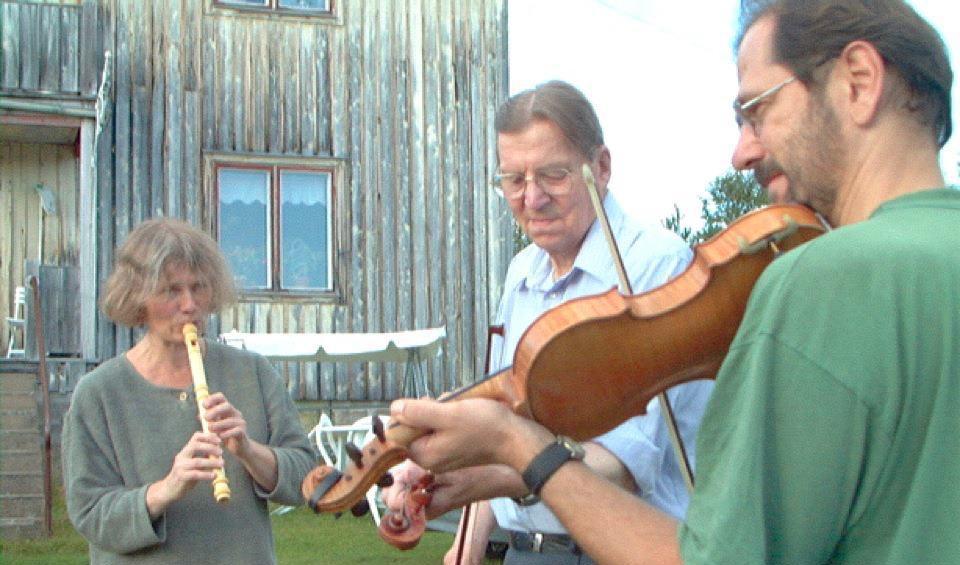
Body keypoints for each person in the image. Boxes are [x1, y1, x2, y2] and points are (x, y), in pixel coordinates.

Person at [386, 1, 960, 564]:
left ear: (858, 82)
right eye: (512, 179)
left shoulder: (820, 278)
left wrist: (518, 444)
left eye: (756, 111)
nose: (742, 152)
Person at [383, 80, 714, 564]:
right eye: (513, 180)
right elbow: (510, 416)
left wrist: (481, 474)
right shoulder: (523, 273)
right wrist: (467, 543)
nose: (531, 198)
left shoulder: (655, 266)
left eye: (553, 175)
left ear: (600, 168)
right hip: (526, 553)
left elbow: (623, 464)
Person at [62, 218, 317, 564]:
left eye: (199, 288)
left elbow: (306, 475)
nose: (189, 305)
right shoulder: (99, 393)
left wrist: (248, 450)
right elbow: (91, 513)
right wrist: (167, 488)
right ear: (137, 297)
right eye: (172, 290)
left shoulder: (252, 372)